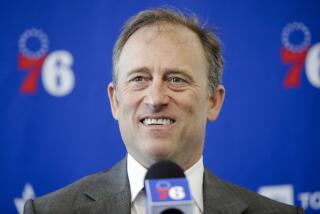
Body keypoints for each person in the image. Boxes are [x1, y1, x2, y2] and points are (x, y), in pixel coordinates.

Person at [24, 7, 304, 214]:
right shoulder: (48, 211)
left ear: (213, 102)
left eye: (176, 79)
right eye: (139, 79)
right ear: (115, 101)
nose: (155, 98)